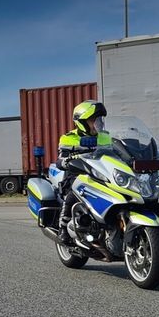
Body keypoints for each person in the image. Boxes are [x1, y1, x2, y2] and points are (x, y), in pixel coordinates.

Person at [56, 100, 110, 244]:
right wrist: (67, 161)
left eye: (99, 120)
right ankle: (62, 228)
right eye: (93, 120)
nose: (98, 123)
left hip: (102, 175)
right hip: (77, 175)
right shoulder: (69, 138)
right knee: (72, 194)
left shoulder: (106, 137)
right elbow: (60, 160)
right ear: (81, 122)